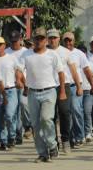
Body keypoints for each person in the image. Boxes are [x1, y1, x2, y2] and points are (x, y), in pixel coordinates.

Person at [16, 27, 66, 163]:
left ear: (46, 40)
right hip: (32, 93)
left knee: (46, 118)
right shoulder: (26, 55)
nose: (39, 41)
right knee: (36, 125)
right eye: (36, 38)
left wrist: (62, 91)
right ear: (33, 40)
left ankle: (52, 144)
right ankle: (43, 153)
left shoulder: (52, 55)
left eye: (41, 38)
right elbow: (19, 70)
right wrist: (19, 80)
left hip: (49, 91)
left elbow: (61, 73)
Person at [47, 28, 82, 154]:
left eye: (55, 38)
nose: (52, 40)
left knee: (65, 112)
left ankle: (65, 139)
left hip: (64, 86)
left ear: (58, 38)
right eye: (50, 38)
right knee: (51, 116)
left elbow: (73, 70)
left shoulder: (65, 52)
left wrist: (78, 86)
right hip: (49, 86)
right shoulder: (44, 51)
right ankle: (53, 143)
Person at [63, 32, 93, 148]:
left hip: (75, 86)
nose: (68, 43)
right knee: (67, 113)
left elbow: (87, 70)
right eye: (66, 40)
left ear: (74, 41)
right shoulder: (59, 52)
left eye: (70, 40)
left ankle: (79, 136)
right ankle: (70, 138)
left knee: (76, 110)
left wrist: (92, 85)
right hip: (62, 86)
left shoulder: (79, 54)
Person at [0, 36, 22, 150]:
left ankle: (12, 138)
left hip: (10, 90)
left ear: (4, 45)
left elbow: (19, 69)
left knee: (9, 115)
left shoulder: (11, 58)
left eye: (0, 44)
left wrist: (18, 80)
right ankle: (3, 142)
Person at [5, 31, 32, 143]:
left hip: (24, 84)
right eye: (12, 41)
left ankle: (28, 126)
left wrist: (26, 83)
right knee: (14, 111)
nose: (14, 43)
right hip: (11, 85)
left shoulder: (26, 52)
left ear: (20, 39)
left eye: (16, 41)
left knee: (24, 104)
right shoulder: (6, 52)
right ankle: (18, 135)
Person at [77, 44, 93, 143]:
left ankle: (88, 132)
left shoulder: (91, 64)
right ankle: (81, 133)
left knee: (87, 111)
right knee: (78, 112)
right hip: (78, 91)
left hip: (88, 91)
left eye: (83, 52)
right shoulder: (75, 64)